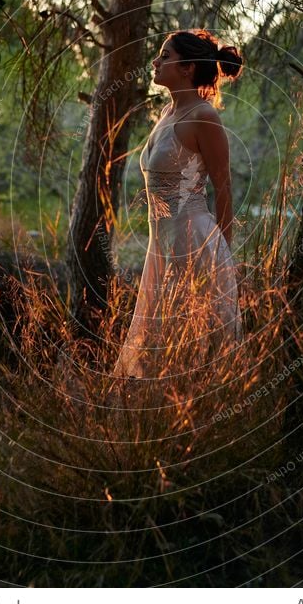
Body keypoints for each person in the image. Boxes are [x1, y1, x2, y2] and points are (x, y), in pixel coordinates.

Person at [112, 29, 243, 383]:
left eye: (165, 56)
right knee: (159, 343)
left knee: (188, 341)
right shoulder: (169, 111)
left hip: (194, 242)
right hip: (163, 243)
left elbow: (224, 187)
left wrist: (224, 256)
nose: (156, 62)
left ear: (186, 69)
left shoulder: (204, 116)